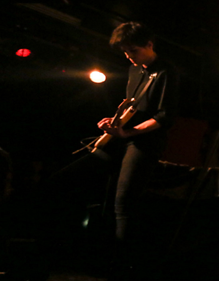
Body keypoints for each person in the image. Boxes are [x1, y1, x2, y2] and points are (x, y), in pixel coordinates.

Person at [48, 21, 179, 278]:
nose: (129, 56)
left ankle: (124, 268)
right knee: (92, 190)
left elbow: (165, 117)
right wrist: (114, 121)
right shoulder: (133, 70)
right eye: (125, 51)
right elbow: (133, 109)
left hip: (145, 142)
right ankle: (97, 258)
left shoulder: (167, 71)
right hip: (122, 137)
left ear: (149, 44)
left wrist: (127, 132)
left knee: (124, 202)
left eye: (134, 50)